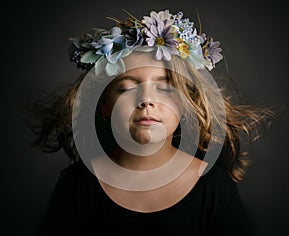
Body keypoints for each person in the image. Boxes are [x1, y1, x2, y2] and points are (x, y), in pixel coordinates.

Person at [29, 9, 275, 236]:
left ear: (185, 104)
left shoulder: (214, 187)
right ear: (103, 104)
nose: (146, 100)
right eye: (126, 88)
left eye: (165, 88)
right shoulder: (77, 186)